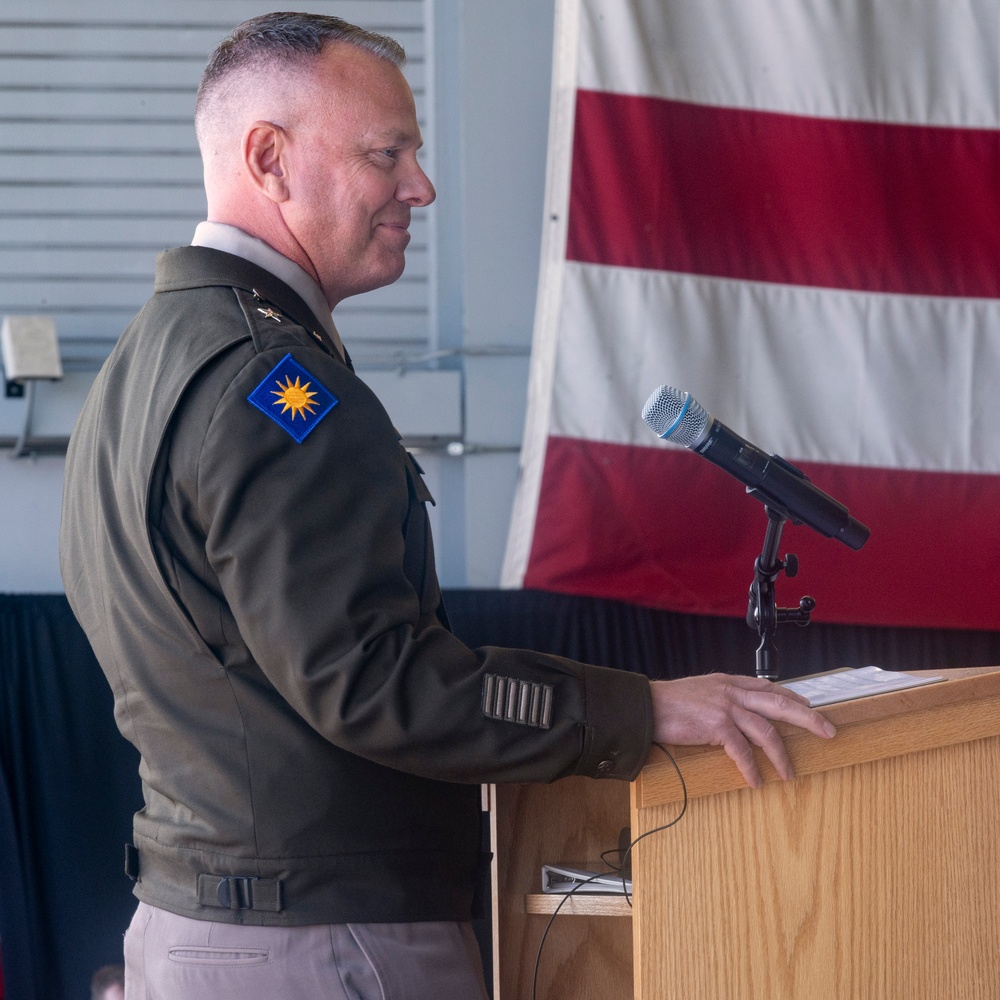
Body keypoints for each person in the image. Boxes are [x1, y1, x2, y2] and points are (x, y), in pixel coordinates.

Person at [59, 13, 836, 999]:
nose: (419, 187)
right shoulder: (276, 392)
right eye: (388, 153)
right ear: (269, 158)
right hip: (324, 949)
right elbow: (376, 684)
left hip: (203, 927)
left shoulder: (149, 359)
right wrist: (636, 709)